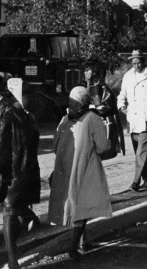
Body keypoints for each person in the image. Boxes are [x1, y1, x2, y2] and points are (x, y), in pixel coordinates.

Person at [48, 86, 112, 259]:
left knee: (79, 206)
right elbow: (103, 146)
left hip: (65, 170)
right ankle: (73, 247)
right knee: (83, 208)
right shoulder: (92, 118)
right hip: (86, 168)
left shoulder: (65, 120)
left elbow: (54, 145)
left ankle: (83, 241)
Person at [0, 74, 41, 269]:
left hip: (27, 174)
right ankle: (12, 261)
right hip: (13, 175)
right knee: (10, 214)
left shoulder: (28, 117)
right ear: (19, 97)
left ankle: (14, 253)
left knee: (15, 214)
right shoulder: (8, 118)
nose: (31, 99)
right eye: (27, 95)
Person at [117, 50, 147, 192]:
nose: (136, 65)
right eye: (134, 62)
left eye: (139, 62)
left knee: (140, 154)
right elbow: (122, 94)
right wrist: (122, 106)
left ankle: (135, 183)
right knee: (138, 152)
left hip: (146, 119)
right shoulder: (127, 76)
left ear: (144, 61)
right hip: (133, 119)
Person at [81, 60, 125, 158]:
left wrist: (85, 109)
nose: (85, 72)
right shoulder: (95, 86)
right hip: (100, 126)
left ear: (95, 72)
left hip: (103, 127)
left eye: (88, 70)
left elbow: (101, 108)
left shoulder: (97, 87)